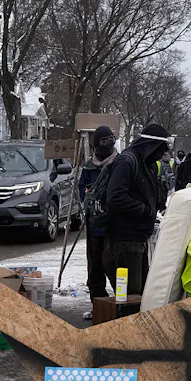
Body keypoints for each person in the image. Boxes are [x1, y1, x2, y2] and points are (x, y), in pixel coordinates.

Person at [103, 123, 171, 296]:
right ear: (150, 146)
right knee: (130, 295)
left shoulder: (145, 164)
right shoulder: (127, 161)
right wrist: (145, 210)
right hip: (125, 239)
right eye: (159, 151)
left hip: (138, 239)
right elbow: (116, 197)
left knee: (140, 293)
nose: (159, 157)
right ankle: (125, 322)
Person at [78, 126, 117, 303]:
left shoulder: (120, 163)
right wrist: (88, 196)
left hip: (113, 225)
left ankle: (121, 304)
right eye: (103, 142)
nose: (107, 145)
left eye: (110, 141)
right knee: (95, 269)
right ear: (95, 146)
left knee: (114, 267)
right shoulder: (89, 167)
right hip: (94, 225)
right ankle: (99, 305)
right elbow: (81, 190)